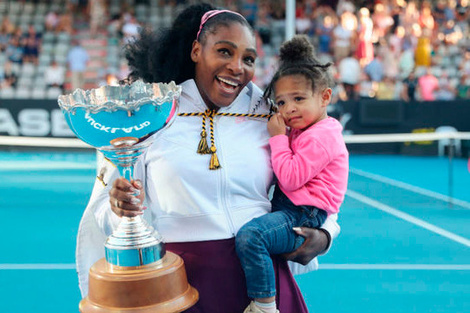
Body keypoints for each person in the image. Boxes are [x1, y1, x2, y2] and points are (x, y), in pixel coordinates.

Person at [76, 4, 340, 313]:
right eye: (225, 52)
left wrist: (325, 234)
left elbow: (319, 175)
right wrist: (120, 207)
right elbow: (106, 207)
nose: (237, 67)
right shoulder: (150, 113)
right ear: (196, 50)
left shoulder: (271, 113)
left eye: (249, 59)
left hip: (262, 285)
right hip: (178, 284)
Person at [235, 35, 349, 313]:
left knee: (252, 237)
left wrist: (278, 138)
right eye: (282, 102)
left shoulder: (320, 136)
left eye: (298, 98)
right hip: (295, 209)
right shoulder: (307, 129)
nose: (289, 109)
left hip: (302, 214)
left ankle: (264, 306)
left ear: (324, 97)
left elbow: (290, 178)